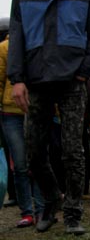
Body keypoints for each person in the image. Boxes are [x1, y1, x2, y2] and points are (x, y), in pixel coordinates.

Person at [8, 0, 90, 234]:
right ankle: (51, 200)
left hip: (72, 81)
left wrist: (84, 70)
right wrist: (17, 79)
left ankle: (73, 212)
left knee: (73, 150)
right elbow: (17, 33)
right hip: (36, 81)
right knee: (33, 152)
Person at [0, 16, 44, 227]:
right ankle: (28, 211)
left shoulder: (38, 45)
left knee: (36, 161)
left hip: (35, 109)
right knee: (21, 164)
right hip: (10, 112)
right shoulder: (4, 49)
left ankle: (42, 207)